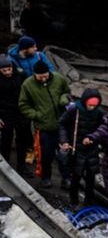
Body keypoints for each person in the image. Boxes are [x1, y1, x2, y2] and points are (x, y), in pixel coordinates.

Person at [17, 60, 71, 188]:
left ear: (49, 72)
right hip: (43, 127)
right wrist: (37, 115)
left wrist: (64, 99)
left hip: (62, 125)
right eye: (40, 77)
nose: (43, 79)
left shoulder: (59, 79)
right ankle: (46, 178)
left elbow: (67, 92)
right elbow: (23, 105)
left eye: (45, 76)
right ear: (35, 74)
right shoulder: (28, 85)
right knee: (45, 155)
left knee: (64, 153)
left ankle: (66, 178)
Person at [58, 87, 106, 206]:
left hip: (92, 149)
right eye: (90, 105)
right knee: (76, 177)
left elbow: (103, 129)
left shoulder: (99, 113)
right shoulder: (74, 110)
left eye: (94, 105)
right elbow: (62, 124)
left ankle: (88, 202)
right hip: (76, 149)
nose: (92, 108)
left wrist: (93, 138)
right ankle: (73, 201)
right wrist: (64, 141)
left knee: (90, 179)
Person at [0, 55, 30, 175]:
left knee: (22, 140)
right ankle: (5, 165)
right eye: (4, 70)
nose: (7, 72)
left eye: (9, 69)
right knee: (6, 140)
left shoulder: (21, 75)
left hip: (21, 112)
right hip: (4, 113)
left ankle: (22, 166)